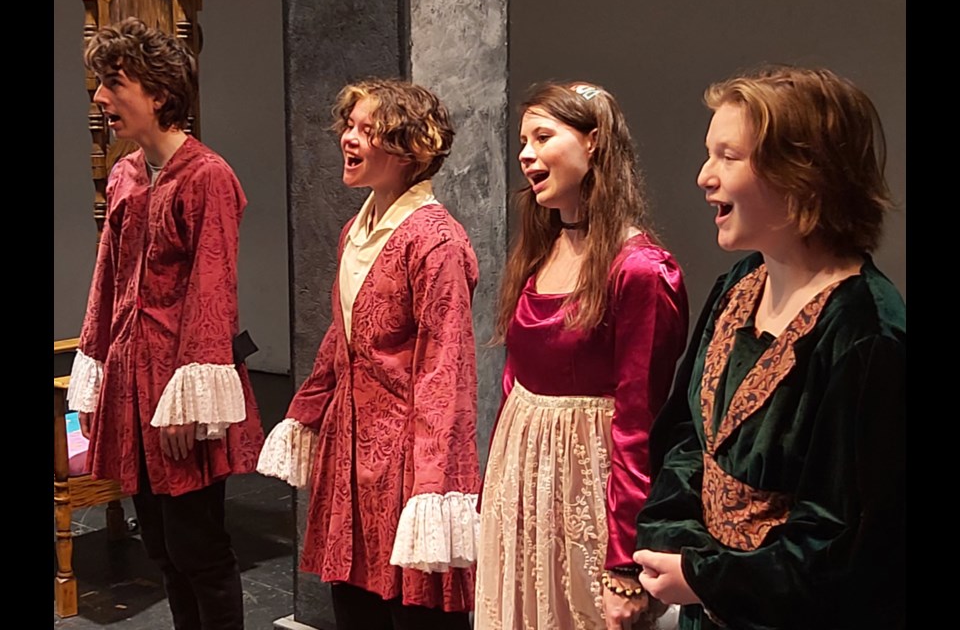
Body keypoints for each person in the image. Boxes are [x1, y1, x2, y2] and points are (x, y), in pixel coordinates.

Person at [632, 66, 906, 630]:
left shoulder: (865, 332)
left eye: (729, 156)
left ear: (803, 172)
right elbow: (686, 439)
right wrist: (683, 552)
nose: (704, 176)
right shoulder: (740, 284)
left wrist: (711, 579)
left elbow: (846, 541)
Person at [257, 79, 481, 630]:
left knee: (413, 613)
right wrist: (308, 411)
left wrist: (433, 485)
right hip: (351, 449)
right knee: (353, 604)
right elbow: (342, 337)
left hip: (408, 456)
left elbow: (445, 368)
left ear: (411, 148)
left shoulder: (436, 241)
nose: (348, 140)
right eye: (348, 127)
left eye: (367, 130)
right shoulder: (356, 231)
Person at [67, 17, 265, 630]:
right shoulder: (126, 174)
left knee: (198, 550)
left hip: (181, 394)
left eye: (114, 83)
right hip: (132, 384)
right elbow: (107, 285)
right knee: (161, 551)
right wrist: (94, 376)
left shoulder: (207, 177)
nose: (100, 98)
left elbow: (213, 292)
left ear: (157, 92)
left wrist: (188, 405)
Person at [474, 81, 689, 630]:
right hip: (522, 480)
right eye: (523, 140)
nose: (526, 153)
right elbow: (515, 382)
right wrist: (496, 496)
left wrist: (622, 561)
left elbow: (640, 421)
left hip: (586, 484)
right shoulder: (539, 249)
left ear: (593, 143)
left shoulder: (640, 270)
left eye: (543, 136)